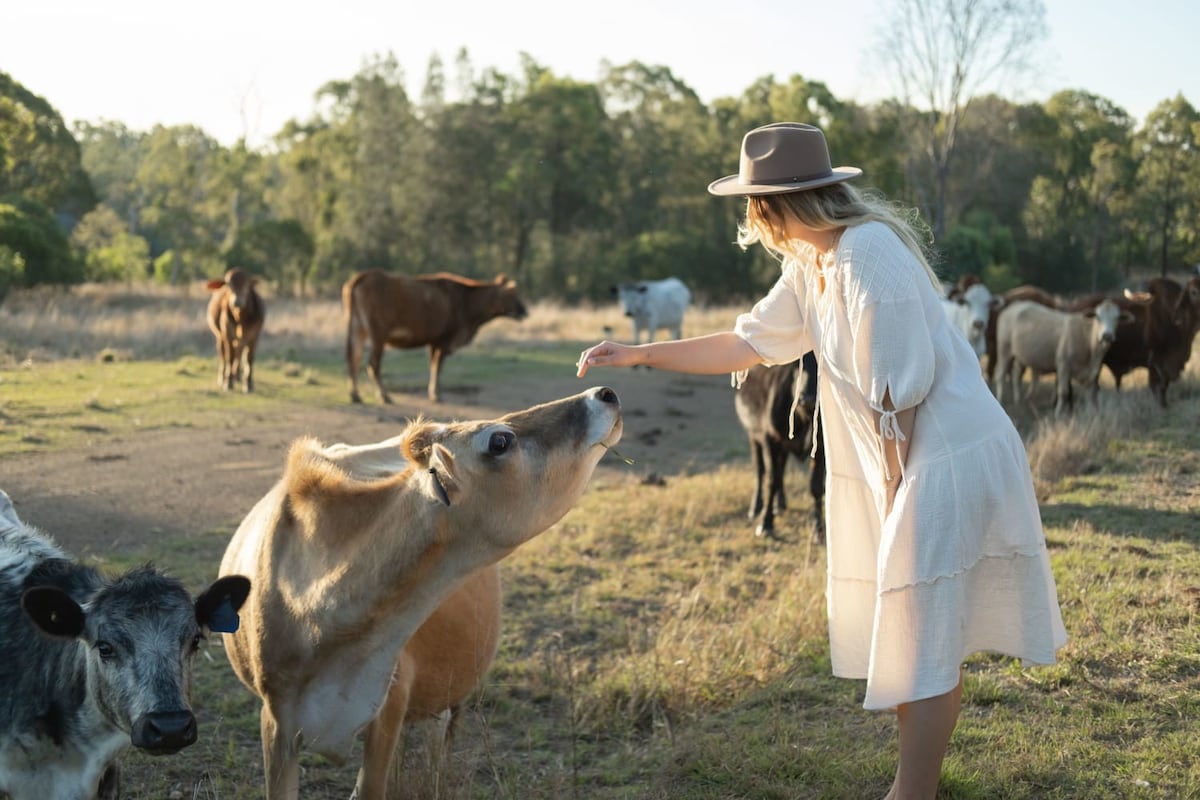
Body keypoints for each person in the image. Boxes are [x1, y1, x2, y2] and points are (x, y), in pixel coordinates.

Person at [576, 122, 1067, 799]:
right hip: (913, 455)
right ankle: (913, 787)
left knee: (920, 635)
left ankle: (910, 792)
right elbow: (748, 343)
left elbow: (900, 390)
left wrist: (893, 490)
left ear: (776, 205)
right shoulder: (812, 264)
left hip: (946, 452)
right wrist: (639, 354)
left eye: (754, 202)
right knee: (913, 631)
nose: (750, 216)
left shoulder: (869, 253)